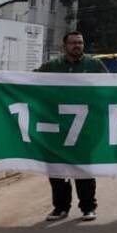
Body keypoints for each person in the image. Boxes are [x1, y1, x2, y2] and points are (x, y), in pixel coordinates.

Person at [36, 31, 107, 222]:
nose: (77, 45)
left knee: (83, 169)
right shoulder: (51, 67)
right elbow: (28, 81)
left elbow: (110, 86)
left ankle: (88, 207)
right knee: (57, 170)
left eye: (80, 42)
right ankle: (60, 208)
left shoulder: (94, 65)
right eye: (73, 42)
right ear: (64, 46)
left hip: (84, 128)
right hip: (56, 128)